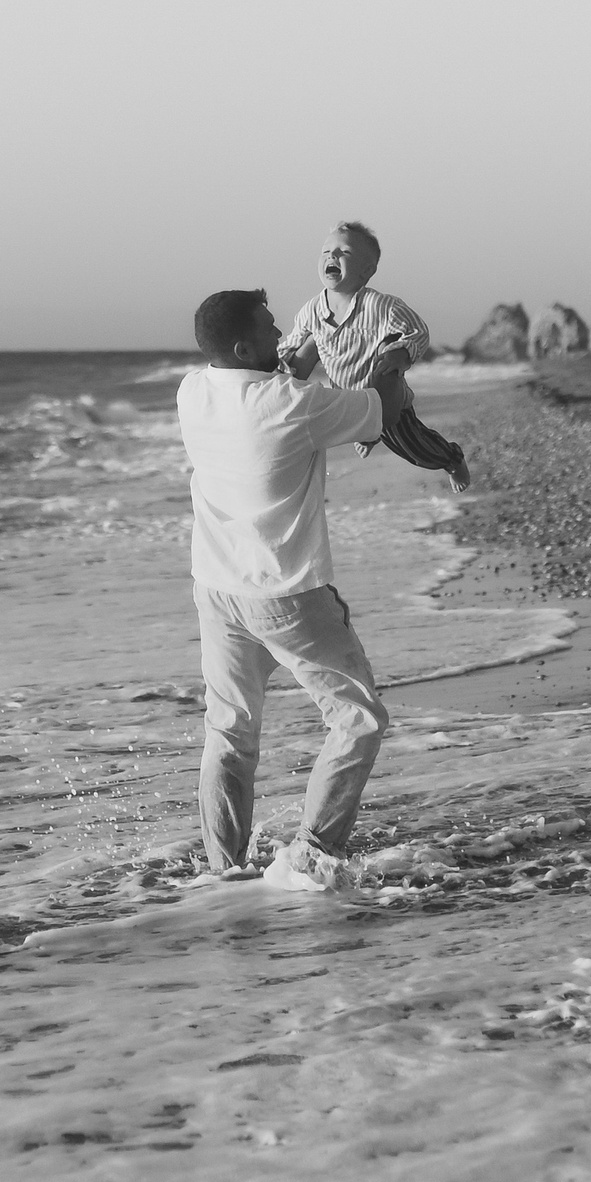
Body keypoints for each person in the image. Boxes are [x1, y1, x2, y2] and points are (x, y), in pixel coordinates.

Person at [180, 289, 407, 888]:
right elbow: (381, 407)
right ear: (243, 345)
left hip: (216, 586)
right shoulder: (290, 404)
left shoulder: (193, 391)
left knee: (230, 730)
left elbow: (269, 387)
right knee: (358, 718)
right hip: (285, 592)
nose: (283, 334)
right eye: (271, 327)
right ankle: (312, 853)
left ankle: (223, 871)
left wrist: (296, 360)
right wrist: (394, 356)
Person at [280, 221, 470, 490]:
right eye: (326, 252)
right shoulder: (311, 311)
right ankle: (365, 434)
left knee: (414, 447)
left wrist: (401, 355)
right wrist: (272, 369)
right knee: (317, 426)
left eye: (344, 252)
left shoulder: (381, 306)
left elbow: (418, 331)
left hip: (384, 394)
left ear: (366, 271)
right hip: (347, 397)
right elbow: (292, 345)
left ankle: (452, 458)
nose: (332, 256)